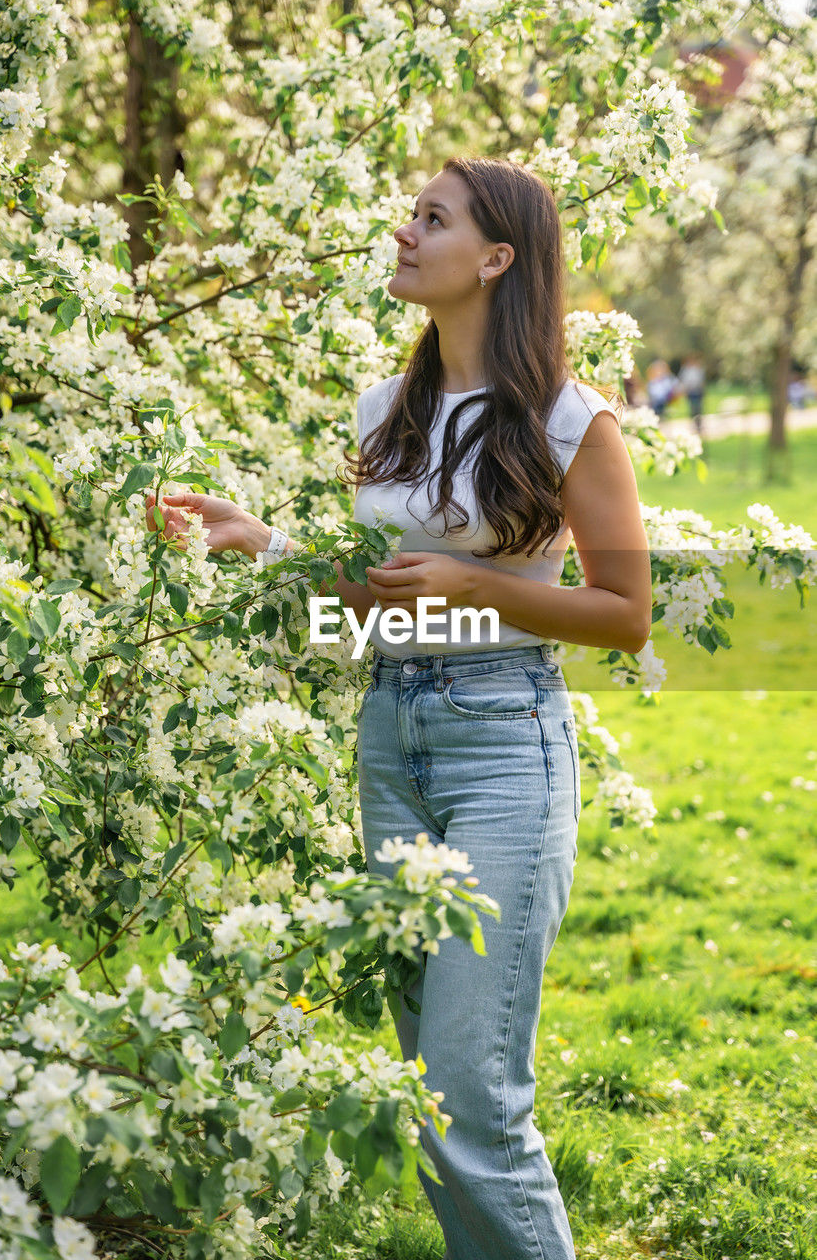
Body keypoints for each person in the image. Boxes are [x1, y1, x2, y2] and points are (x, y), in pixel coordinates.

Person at [145, 155, 651, 1260]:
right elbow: (383, 603)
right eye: (409, 215)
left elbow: (624, 615)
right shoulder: (387, 409)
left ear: (497, 258)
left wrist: (483, 584)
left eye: (432, 219)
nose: (403, 233)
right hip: (394, 735)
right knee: (427, 1093)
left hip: (504, 745)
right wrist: (264, 541)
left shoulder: (571, 420)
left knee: (472, 1096)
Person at [679, 353, 706, 435]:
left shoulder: (698, 369)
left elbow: (702, 380)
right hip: (691, 392)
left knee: (698, 408)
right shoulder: (685, 370)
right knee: (693, 408)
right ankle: (694, 424)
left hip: (698, 391)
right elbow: (683, 381)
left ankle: (699, 424)